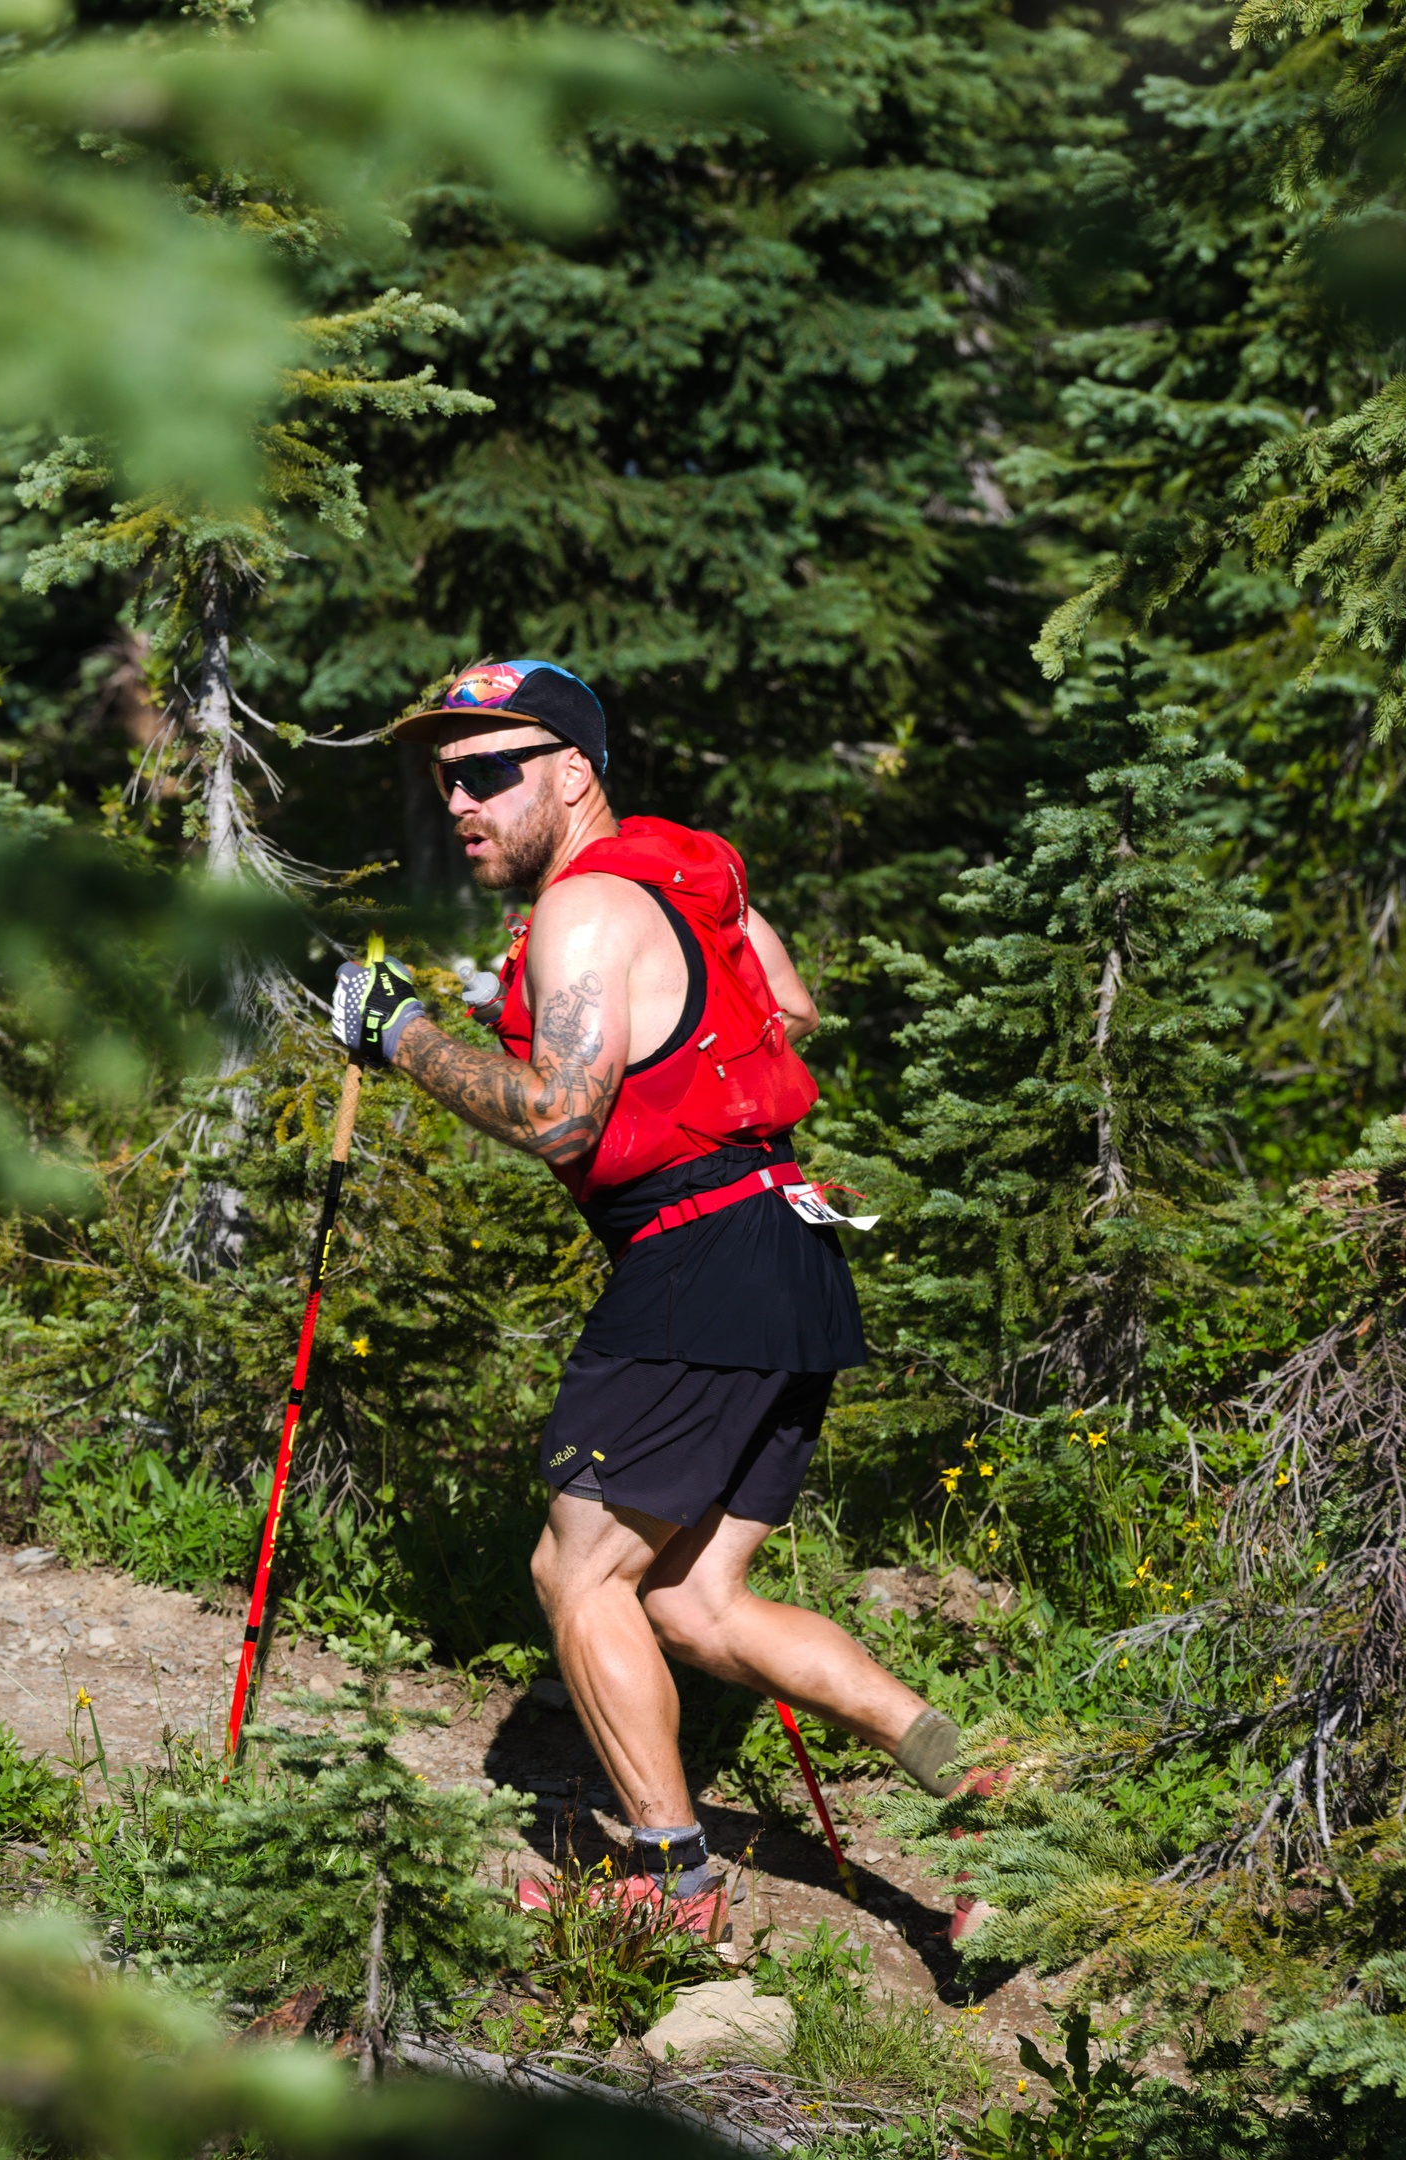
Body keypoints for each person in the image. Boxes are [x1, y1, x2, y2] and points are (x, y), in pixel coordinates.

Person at [332, 658, 972, 1938]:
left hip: (698, 1257)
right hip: (787, 1244)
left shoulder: (583, 905)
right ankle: (983, 1780)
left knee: (576, 1576)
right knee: (695, 1602)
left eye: (488, 770)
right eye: (445, 777)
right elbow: (788, 1011)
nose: (459, 800)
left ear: (572, 773)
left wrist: (402, 1035)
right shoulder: (682, 883)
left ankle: (673, 1887)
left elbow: (560, 1120)